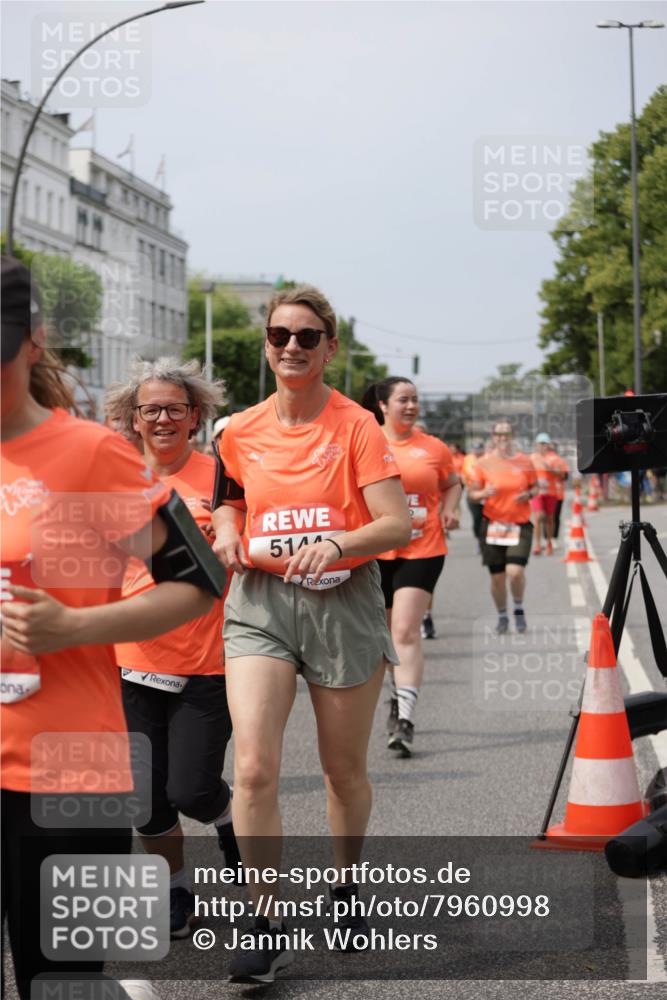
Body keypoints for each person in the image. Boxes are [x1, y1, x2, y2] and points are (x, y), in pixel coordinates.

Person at [0, 256, 225, 999]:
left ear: (34, 340)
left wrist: (75, 625)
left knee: (54, 981)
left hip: (62, 763)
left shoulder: (89, 453)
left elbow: (200, 581)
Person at [211, 284, 410, 983]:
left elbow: (396, 524)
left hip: (341, 602)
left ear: (329, 348)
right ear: (266, 346)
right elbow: (229, 498)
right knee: (254, 767)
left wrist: (337, 544)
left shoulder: (356, 425)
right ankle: (265, 920)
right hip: (262, 601)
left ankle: (346, 884)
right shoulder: (239, 429)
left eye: (305, 337)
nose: (290, 347)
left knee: (341, 770)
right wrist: (230, 529)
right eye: (278, 336)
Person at [107, 358, 240, 940]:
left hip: (206, 665)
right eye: (150, 409)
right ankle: (175, 892)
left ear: (195, 416)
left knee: (190, 790)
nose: (162, 418)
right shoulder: (111, 478)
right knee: (147, 803)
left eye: (174, 409)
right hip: (127, 664)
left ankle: (226, 812)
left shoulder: (222, 478)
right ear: (133, 419)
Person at [362, 378, 460, 756]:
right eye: (403, 399)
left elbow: (452, 484)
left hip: (423, 547)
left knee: (404, 630)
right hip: (376, 549)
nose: (411, 406)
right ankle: (396, 696)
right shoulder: (367, 441)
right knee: (382, 636)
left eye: (415, 400)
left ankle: (404, 717)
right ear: (383, 406)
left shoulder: (433, 447)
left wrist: (450, 508)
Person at [467, 420, 537, 634]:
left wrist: (529, 495)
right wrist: (483, 494)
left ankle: (518, 607)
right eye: (499, 434)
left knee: (515, 572)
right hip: (493, 525)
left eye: (507, 434)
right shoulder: (483, 463)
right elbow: (472, 493)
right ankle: (502, 615)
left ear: (512, 436)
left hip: (519, 524)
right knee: (497, 578)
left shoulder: (524, 461)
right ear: (493, 437)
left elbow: (535, 487)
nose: (503, 438)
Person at [530, 432, 565, 555]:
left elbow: (563, 475)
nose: (542, 446)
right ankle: (538, 545)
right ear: (536, 445)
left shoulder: (555, 458)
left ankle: (549, 542)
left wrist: (551, 470)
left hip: (551, 492)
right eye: (540, 444)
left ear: (548, 445)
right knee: (538, 516)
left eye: (544, 444)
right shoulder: (532, 458)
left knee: (550, 519)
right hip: (537, 492)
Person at [462, 439, 486, 546]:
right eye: (476, 449)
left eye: (480, 449)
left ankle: (485, 541)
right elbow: (463, 474)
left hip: (486, 494)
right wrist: (467, 485)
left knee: (485, 519)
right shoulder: (467, 459)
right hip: (472, 494)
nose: (478, 452)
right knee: (477, 518)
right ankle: (478, 538)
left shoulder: (487, 459)